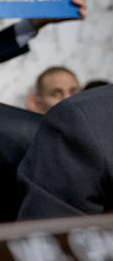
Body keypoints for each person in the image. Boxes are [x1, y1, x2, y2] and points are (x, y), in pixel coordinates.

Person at [18, 84, 113, 219]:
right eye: (56, 94)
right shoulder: (79, 122)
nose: (67, 96)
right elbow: (53, 232)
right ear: (35, 102)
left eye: (73, 91)